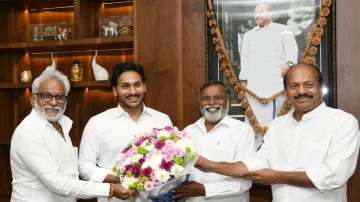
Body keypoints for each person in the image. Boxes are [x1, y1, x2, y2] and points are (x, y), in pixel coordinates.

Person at [196, 64, 360, 202]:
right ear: (286, 92)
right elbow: (257, 162)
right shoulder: (277, 125)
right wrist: (206, 164)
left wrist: (278, 177)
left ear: (321, 88)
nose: (301, 91)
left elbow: (334, 175)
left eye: (309, 85)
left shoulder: (342, 123)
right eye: (294, 86)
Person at [10, 70, 135, 202]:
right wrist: (110, 189)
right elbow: (56, 182)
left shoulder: (61, 125)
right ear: (33, 99)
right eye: (46, 96)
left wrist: (118, 178)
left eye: (59, 97)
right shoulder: (29, 132)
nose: (53, 102)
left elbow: (71, 174)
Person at [78, 62, 173, 202]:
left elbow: (171, 160)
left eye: (137, 85)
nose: (133, 92)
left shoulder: (162, 120)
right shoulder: (97, 123)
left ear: (145, 87)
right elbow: (84, 166)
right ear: (115, 90)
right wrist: (121, 179)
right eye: (125, 86)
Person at [172, 81, 256, 202]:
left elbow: (245, 180)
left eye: (218, 98)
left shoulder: (242, 131)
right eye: (206, 98)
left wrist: (204, 189)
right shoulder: (188, 131)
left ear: (229, 100)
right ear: (199, 102)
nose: (211, 103)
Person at [240, 4, 298, 147]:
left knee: (278, 120)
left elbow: (291, 53)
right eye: (255, 12)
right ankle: (254, 153)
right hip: (254, 85)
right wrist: (243, 81)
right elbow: (245, 61)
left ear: (271, 13)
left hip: (276, 84)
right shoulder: (249, 35)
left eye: (261, 12)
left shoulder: (284, 31)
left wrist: (288, 63)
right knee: (254, 119)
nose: (257, 15)